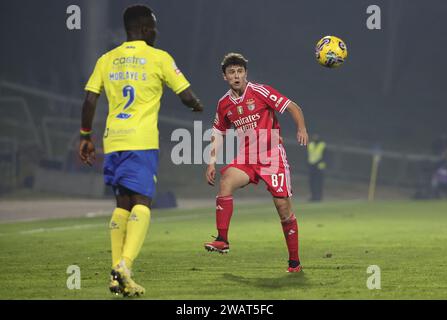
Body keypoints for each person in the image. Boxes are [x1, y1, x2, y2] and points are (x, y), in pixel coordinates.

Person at [79, 5, 203, 297]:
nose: (156, 32)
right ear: (147, 29)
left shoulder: (106, 59)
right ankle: (125, 266)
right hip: (141, 141)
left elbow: (89, 100)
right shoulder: (158, 57)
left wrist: (86, 136)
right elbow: (185, 95)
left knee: (122, 204)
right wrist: (197, 105)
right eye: (154, 27)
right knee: (143, 202)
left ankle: (116, 274)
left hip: (114, 140)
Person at [204, 53, 309, 273]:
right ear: (225, 77)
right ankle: (222, 239)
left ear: (245, 74)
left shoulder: (260, 91)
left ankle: (294, 262)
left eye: (240, 71)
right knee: (226, 180)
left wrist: (301, 128)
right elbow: (218, 132)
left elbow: (293, 107)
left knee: (283, 209)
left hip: (271, 155)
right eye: (231, 72)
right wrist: (211, 162)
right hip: (246, 157)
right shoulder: (224, 104)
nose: (236, 75)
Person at [307, 134, 327, 201]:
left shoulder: (323, 145)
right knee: (312, 182)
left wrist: (317, 162)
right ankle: (313, 196)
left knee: (319, 182)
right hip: (312, 167)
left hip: (320, 167)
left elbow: (326, 157)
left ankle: (319, 196)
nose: (315, 137)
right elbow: (307, 155)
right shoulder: (310, 145)